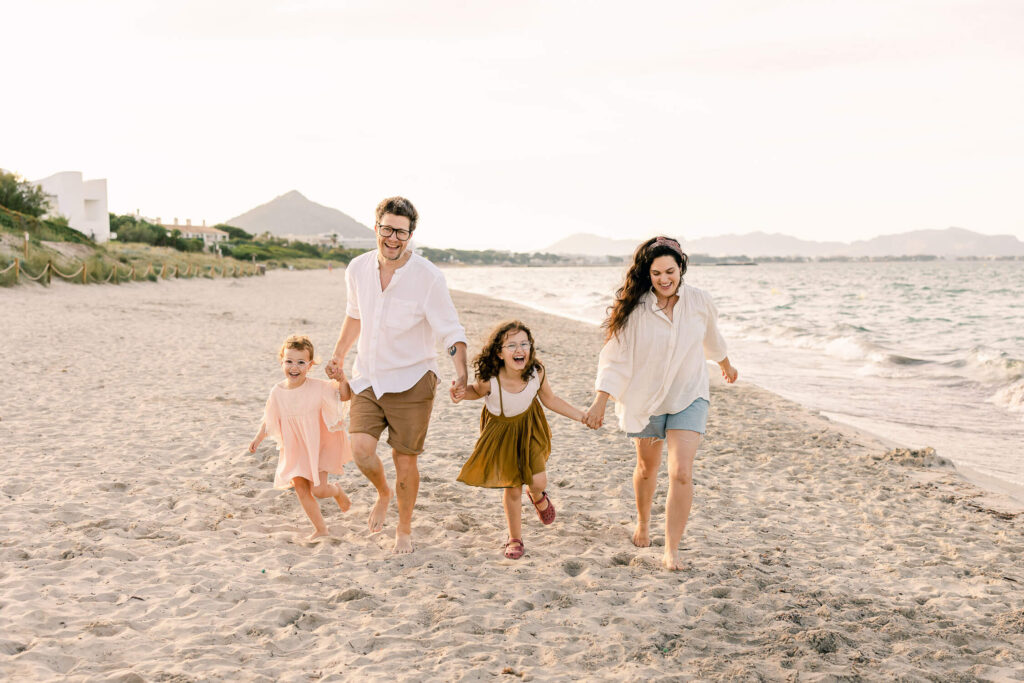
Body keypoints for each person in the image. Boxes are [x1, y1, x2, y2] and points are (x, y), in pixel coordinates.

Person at [584, 236, 738, 571]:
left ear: (681, 268)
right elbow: (615, 359)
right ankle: (642, 522)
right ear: (647, 274)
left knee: (681, 471)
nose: (664, 278)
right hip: (648, 400)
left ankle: (671, 550)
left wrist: (726, 365)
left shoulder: (699, 301)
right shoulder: (636, 309)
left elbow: (711, 339)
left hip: (689, 394)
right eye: (656, 273)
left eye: (670, 271)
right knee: (646, 468)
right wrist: (600, 401)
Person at [325, 197, 468, 554]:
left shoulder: (428, 277)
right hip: (368, 377)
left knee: (405, 460)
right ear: (376, 227)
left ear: (411, 234)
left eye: (400, 232)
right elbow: (355, 315)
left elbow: (451, 331)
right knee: (360, 450)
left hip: (413, 380)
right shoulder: (357, 269)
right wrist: (339, 354)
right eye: (386, 229)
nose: (392, 238)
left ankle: (403, 528)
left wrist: (462, 372)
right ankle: (383, 492)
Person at [454, 321, 592, 559]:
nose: (520, 349)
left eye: (524, 344)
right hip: (501, 433)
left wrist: (582, 416)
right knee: (512, 487)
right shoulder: (491, 379)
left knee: (537, 481)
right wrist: (459, 393)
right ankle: (514, 538)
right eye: (512, 345)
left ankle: (537, 495)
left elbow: (550, 399)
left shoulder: (536, 372)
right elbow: (475, 391)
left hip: (530, 428)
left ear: (531, 347)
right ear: (499, 352)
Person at [249, 334, 353, 541]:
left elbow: (344, 396)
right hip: (294, 447)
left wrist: (342, 380)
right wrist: (259, 437)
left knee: (319, 490)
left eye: (300, 362)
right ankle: (321, 528)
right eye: (289, 361)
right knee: (301, 489)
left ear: (310, 365)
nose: (294, 367)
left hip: (317, 444)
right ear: (281, 361)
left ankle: (337, 491)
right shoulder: (277, 391)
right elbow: (270, 417)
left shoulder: (319, 387)